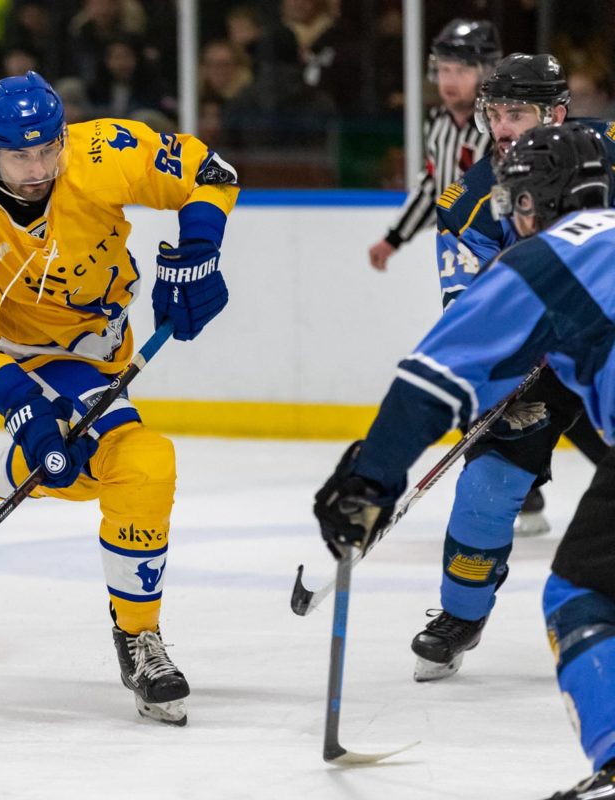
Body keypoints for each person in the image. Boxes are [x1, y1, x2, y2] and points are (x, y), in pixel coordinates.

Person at [0, 71, 238, 726]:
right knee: (142, 464)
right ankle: (139, 638)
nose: (38, 168)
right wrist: (24, 405)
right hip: (26, 357)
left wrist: (200, 251)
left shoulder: (102, 150)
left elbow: (212, 173)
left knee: (81, 472)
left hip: (107, 341)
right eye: (20, 156)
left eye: (48, 149)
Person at [313, 121, 615, 800]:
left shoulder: (551, 257)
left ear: (538, 201)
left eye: (522, 203)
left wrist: (369, 479)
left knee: (586, 599)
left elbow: (434, 379)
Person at [409, 53, 615, 683]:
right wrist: (492, 381)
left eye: (516, 112)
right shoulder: (469, 201)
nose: (500, 127)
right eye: (493, 112)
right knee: (485, 492)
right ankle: (461, 615)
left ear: (556, 112)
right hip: (540, 371)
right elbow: (470, 314)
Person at [367, 19, 499, 272]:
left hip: (497, 252)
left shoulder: (499, 128)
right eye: (444, 70)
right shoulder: (438, 124)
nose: (450, 81)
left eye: (462, 71)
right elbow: (432, 186)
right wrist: (393, 239)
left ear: (485, 74)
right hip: (457, 253)